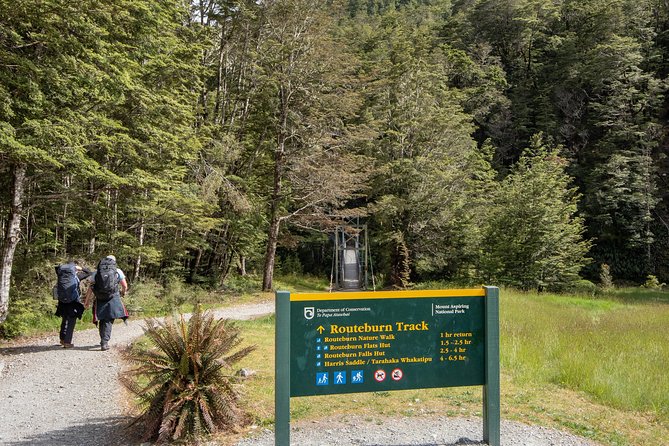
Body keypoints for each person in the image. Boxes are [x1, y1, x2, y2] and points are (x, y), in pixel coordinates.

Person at [84, 255, 129, 351]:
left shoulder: (97, 272)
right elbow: (125, 286)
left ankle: (103, 340)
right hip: (113, 297)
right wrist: (123, 292)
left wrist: (86, 301)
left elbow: (90, 288)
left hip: (100, 298)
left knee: (102, 319)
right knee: (108, 319)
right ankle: (104, 342)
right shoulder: (118, 271)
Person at [54, 260, 88, 348]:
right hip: (73, 301)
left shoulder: (61, 274)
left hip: (62, 300)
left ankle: (62, 339)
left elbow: (57, 269)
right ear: (75, 268)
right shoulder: (77, 276)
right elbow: (89, 272)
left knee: (64, 318)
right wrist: (81, 268)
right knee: (71, 320)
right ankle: (67, 342)